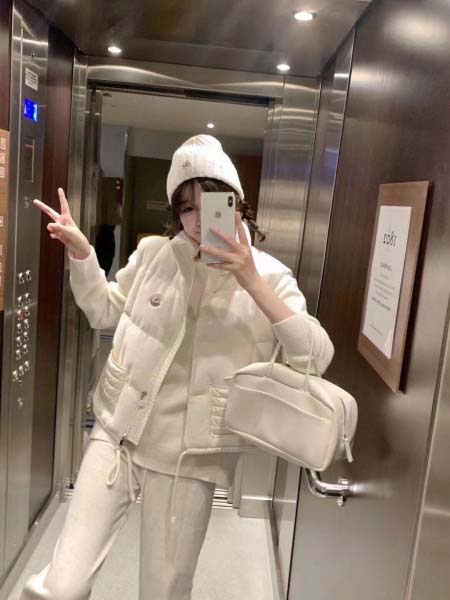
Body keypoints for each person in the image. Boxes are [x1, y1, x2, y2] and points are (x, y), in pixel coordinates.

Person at [20, 135, 334, 600]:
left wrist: (249, 278)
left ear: (237, 203)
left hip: (191, 458)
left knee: (164, 590)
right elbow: (105, 311)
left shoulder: (270, 276)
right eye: (187, 208)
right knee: (61, 586)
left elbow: (315, 356)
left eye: (213, 203)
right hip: (117, 434)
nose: (199, 219)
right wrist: (84, 255)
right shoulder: (154, 254)